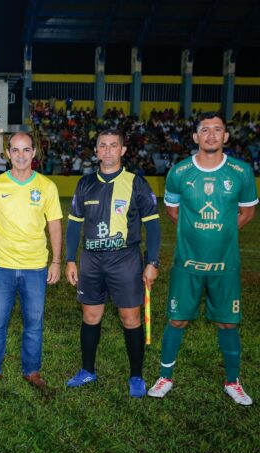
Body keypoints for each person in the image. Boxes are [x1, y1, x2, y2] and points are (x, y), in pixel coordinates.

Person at [147, 112, 258, 406]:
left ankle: (233, 382)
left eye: (217, 129)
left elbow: (246, 213)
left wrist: (222, 231)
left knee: (228, 324)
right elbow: (172, 210)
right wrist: (196, 230)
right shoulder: (179, 172)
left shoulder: (241, 171)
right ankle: (165, 377)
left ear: (226, 137)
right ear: (196, 137)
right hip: (187, 263)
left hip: (226, 264)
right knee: (177, 319)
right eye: (205, 130)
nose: (211, 135)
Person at [64, 129, 160, 398]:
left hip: (125, 259)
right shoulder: (84, 184)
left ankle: (136, 376)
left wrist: (152, 261)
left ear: (123, 151)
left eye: (113, 146)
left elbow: (152, 226)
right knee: (90, 316)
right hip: (92, 260)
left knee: (130, 318)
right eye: (102, 146)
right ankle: (87, 370)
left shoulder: (137, 183)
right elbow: (74, 225)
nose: (107, 151)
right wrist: (70, 260)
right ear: (96, 151)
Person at [0, 131, 63, 389]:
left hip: (35, 267)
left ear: (34, 152)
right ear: (8, 153)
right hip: (2, 266)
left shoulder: (46, 186)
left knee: (34, 323)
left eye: (26, 150)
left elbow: (55, 226)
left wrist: (56, 262)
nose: (21, 155)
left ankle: (32, 371)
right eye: (15, 150)